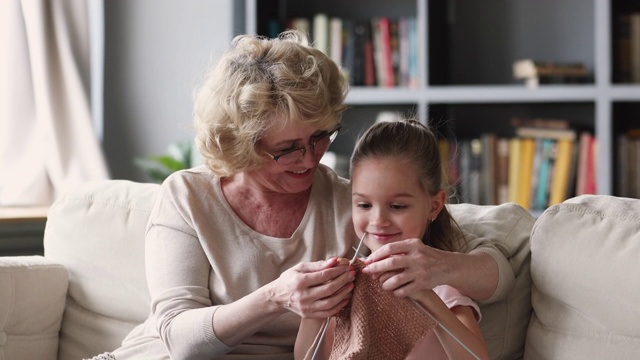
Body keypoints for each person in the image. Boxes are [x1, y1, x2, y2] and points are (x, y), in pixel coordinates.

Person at [96, 30, 511, 360]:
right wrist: (275, 296)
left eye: (319, 137)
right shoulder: (188, 196)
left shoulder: (358, 205)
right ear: (238, 144)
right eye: (287, 148)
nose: (310, 158)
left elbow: (497, 270)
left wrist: (438, 267)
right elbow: (179, 341)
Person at [295, 119, 490, 359]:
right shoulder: (347, 288)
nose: (378, 220)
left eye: (397, 206)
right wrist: (314, 313)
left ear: (434, 205)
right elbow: (308, 356)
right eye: (364, 205)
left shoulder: (440, 287)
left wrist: (426, 297)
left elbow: (477, 356)